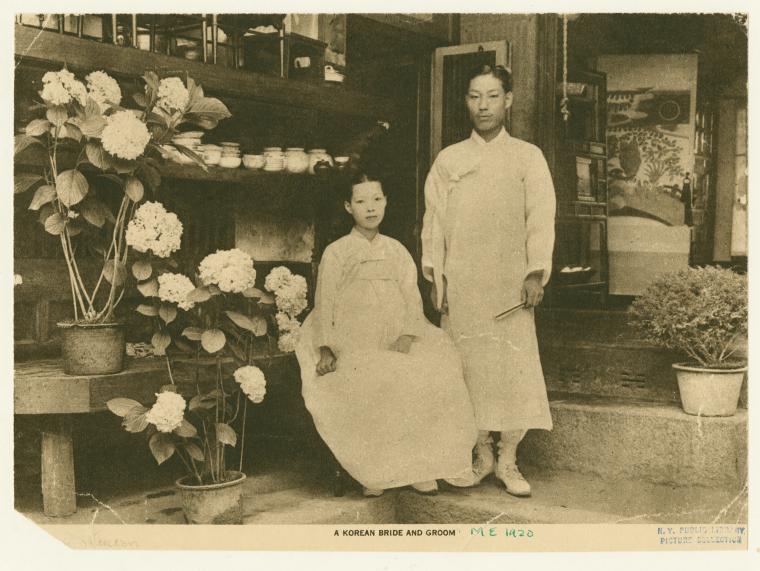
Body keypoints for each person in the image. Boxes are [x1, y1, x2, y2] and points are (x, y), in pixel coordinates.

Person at [296, 173, 478, 497]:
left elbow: (411, 298)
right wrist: (328, 348)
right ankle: (375, 471)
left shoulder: (396, 250)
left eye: (377, 199)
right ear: (348, 207)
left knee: (433, 369)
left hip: (396, 332)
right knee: (371, 377)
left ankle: (421, 467)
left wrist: (408, 336)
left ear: (386, 203)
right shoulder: (337, 252)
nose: (370, 208)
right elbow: (324, 301)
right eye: (361, 201)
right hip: (352, 337)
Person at [421, 64, 556, 497]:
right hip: (462, 282)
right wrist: (436, 281)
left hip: (509, 284)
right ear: (466, 101)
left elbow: (541, 218)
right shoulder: (450, 159)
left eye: (493, 95)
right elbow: (433, 225)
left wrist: (536, 271)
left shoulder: (527, 156)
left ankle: (509, 459)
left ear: (509, 100)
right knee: (467, 369)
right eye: (475, 96)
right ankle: (480, 454)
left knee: (512, 369)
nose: (483, 105)